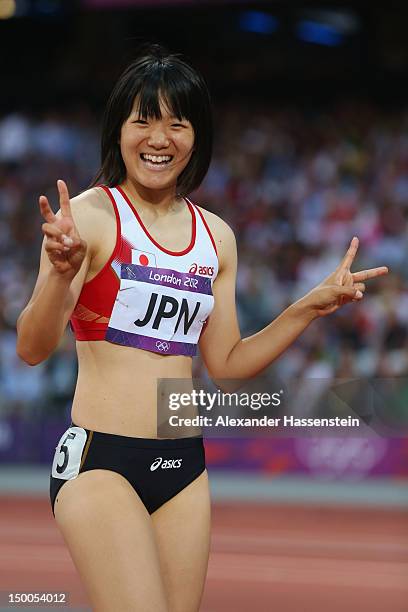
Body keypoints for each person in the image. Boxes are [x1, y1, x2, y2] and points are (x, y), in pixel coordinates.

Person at [16, 44, 388, 612]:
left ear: (198, 137)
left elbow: (227, 364)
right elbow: (32, 347)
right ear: (118, 130)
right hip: (100, 462)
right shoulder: (88, 218)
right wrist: (58, 276)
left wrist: (305, 309)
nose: (159, 138)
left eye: (177, 122)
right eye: (143, 120)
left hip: (183, 467)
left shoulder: (216, 238)